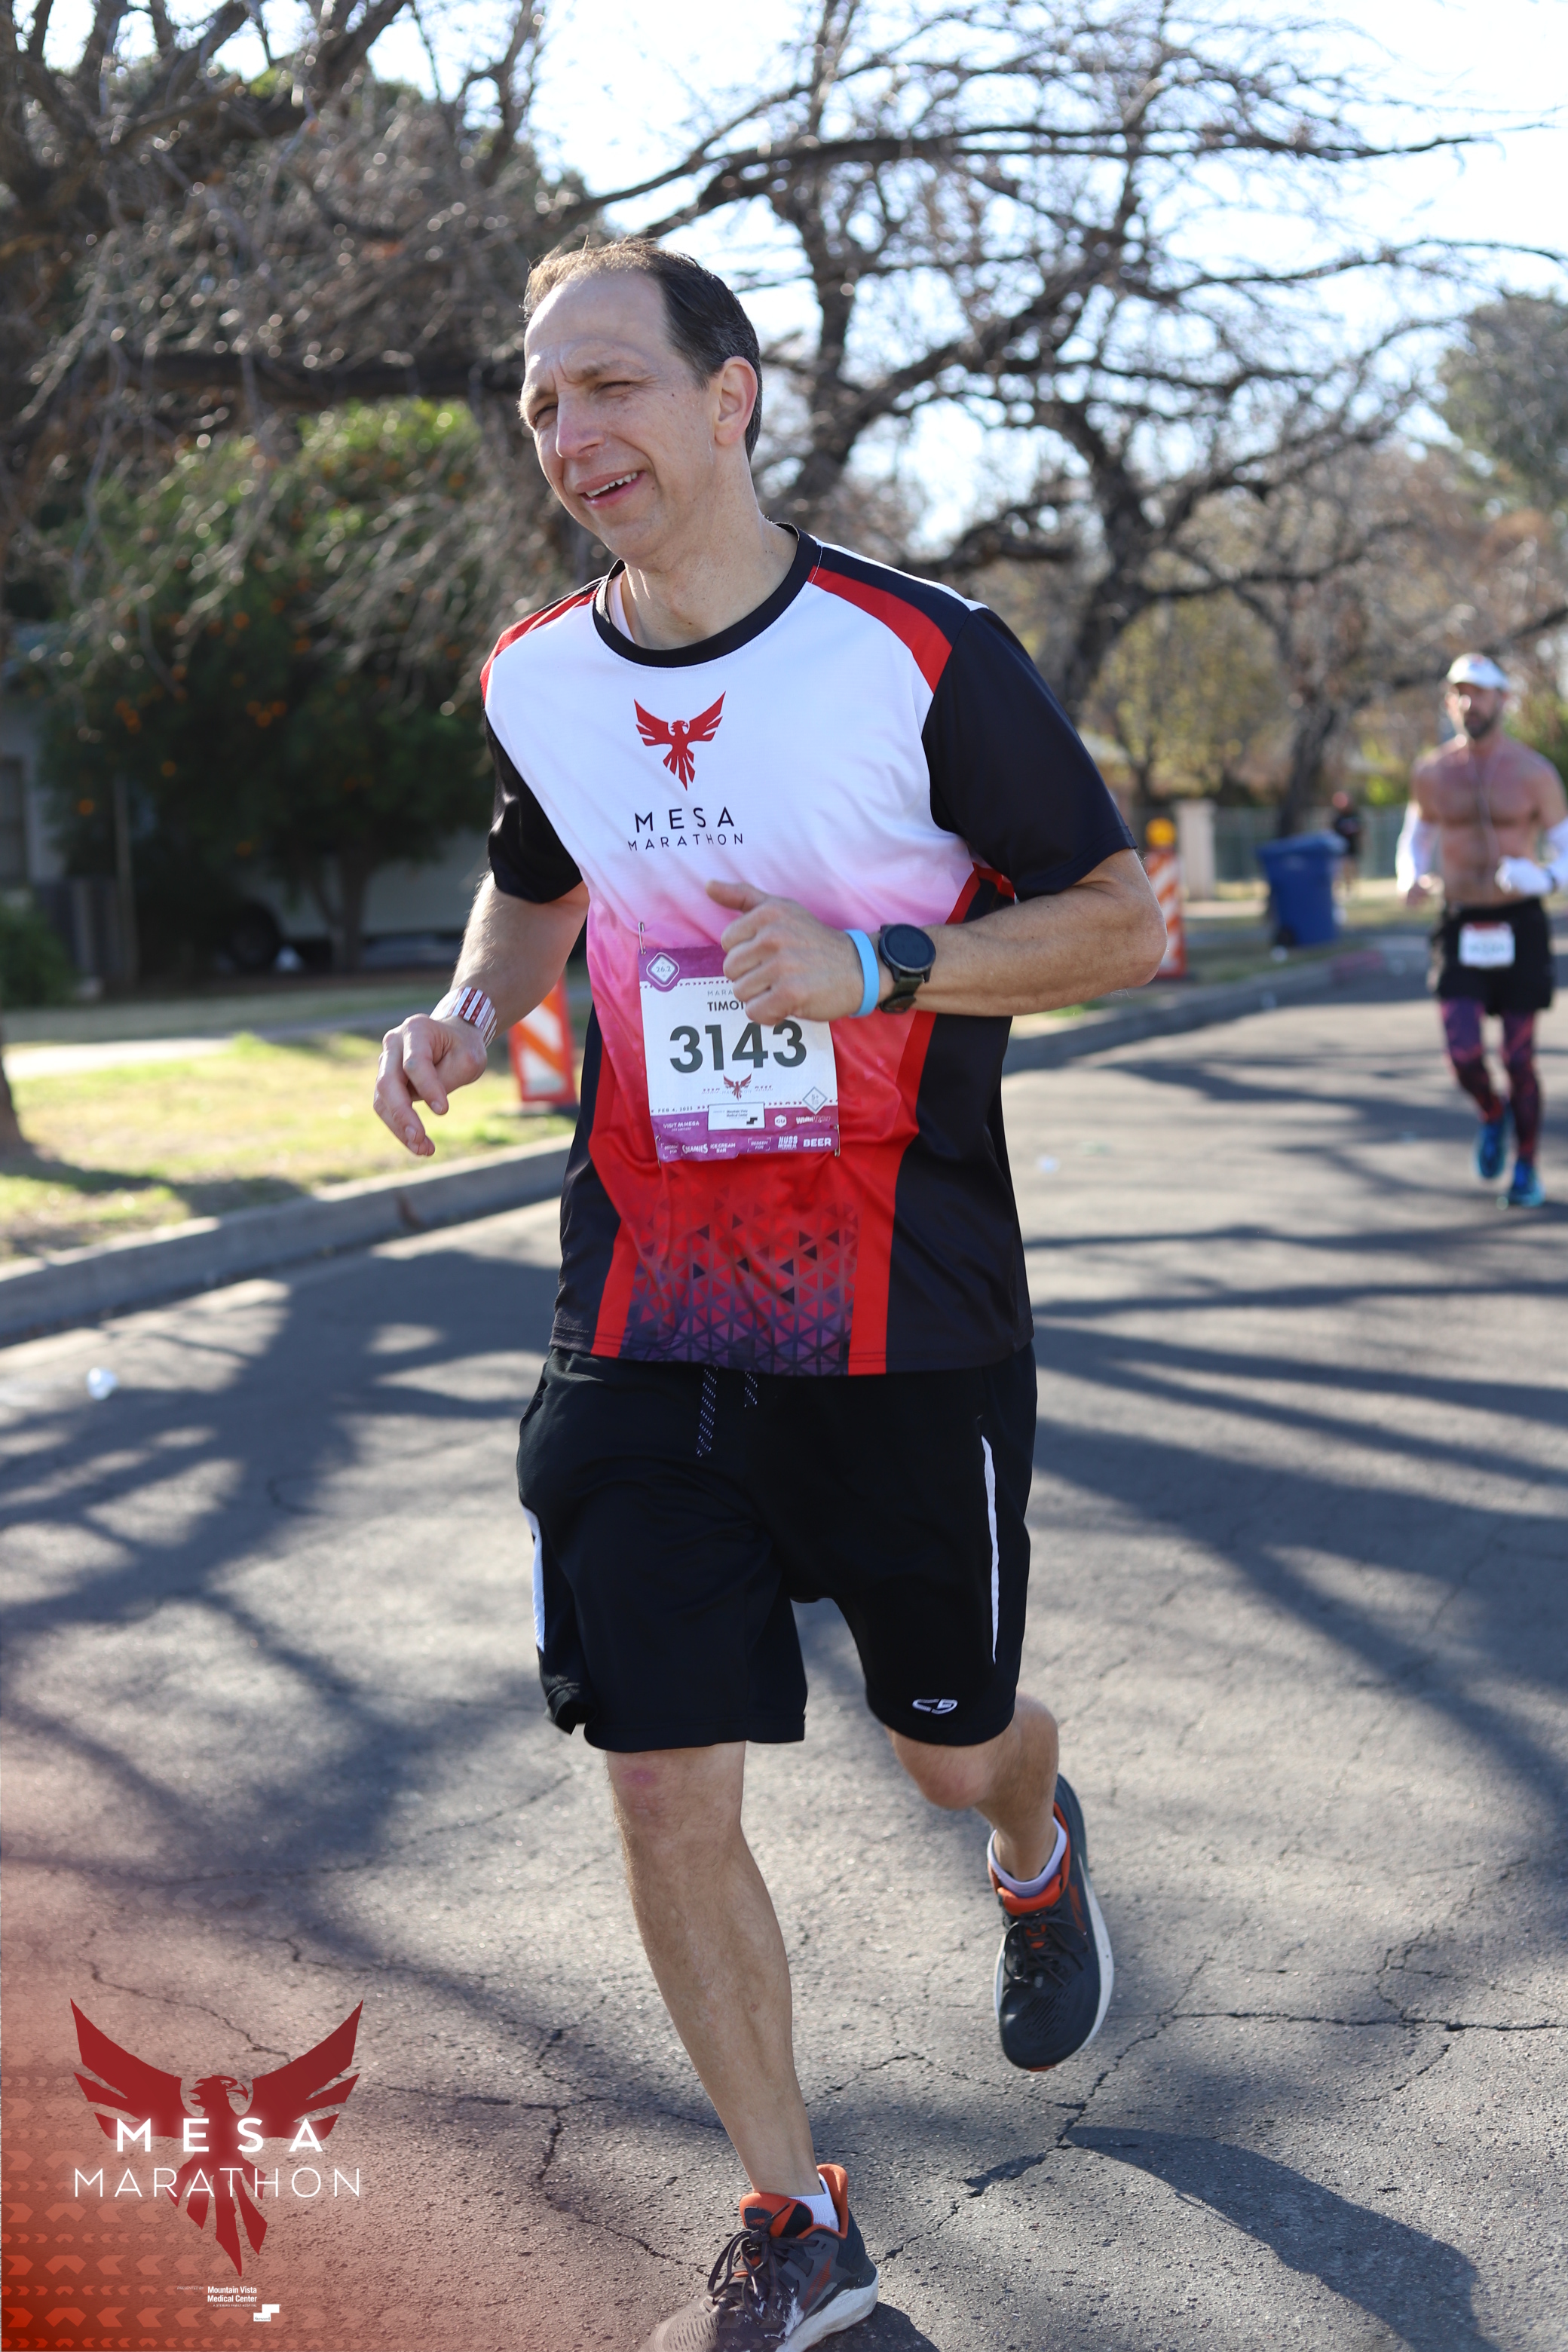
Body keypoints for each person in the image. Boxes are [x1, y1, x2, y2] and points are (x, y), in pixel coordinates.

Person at [373, 238, 1166, 2351]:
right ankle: (797, 2223)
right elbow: (538, 880)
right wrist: (468, 1016)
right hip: (644, 1301)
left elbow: (1119, 922)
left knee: (949, 1748)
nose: (571, 435)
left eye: (611, 385)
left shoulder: (920, 653)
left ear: (732, 398)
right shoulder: (540, 675)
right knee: (657, 1769)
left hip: (905, 1310)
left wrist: (884, 961)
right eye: (543, 404)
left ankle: (1032, 1838)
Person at [1400, 654, 1567, 1208]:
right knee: (1464, 1054)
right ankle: (1492, 1112)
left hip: (1519, 922)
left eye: (1480, 693)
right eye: (1459, 693)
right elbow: (1416, 838)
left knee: (1519, 1059)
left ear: (1504, 700)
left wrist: (1544, 877)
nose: (1469, 703)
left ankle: (1526, 1167)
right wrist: (1410, 876)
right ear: (1450, 701)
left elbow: (1567, 852)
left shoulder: (1534, 773)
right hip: (1460, 920)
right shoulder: (1433, 771)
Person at [1329, 790, 1364, 894]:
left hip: (1352, 845)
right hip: (1341, 847)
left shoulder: (1354, 815)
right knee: (1343, 867)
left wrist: (1363, 843)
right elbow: (1331, 832)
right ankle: (1346, 888)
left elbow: (1361, 830)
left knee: (1353, 867)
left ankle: (1355, 888)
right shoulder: (1337, 817)